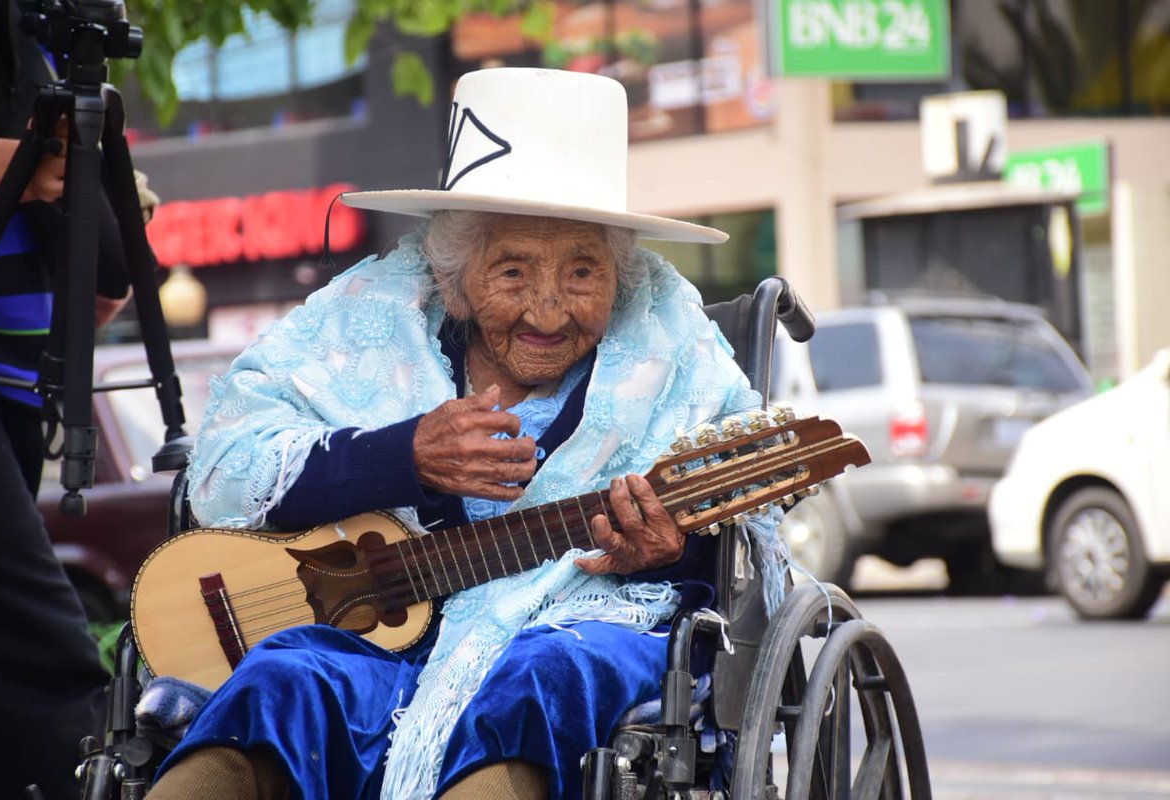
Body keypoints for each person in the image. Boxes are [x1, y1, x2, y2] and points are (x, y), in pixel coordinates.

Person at [147, 67, 786, 800]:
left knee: (539, 680)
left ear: (620, 272)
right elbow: (226, 469)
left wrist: (672, 552)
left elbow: (739, 547)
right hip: (372, 641)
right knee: (282, 678)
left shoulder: (674, 354)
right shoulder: (363, 323)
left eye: (582, 272)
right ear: (454, 275)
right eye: (513, 272)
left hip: (578, 628)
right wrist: (400, 456)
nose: (548, 312)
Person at [0, 1, 152, 796]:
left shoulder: (27, 39)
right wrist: (23, 165)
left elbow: (105, 289)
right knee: (49, 660)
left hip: (15, 381)